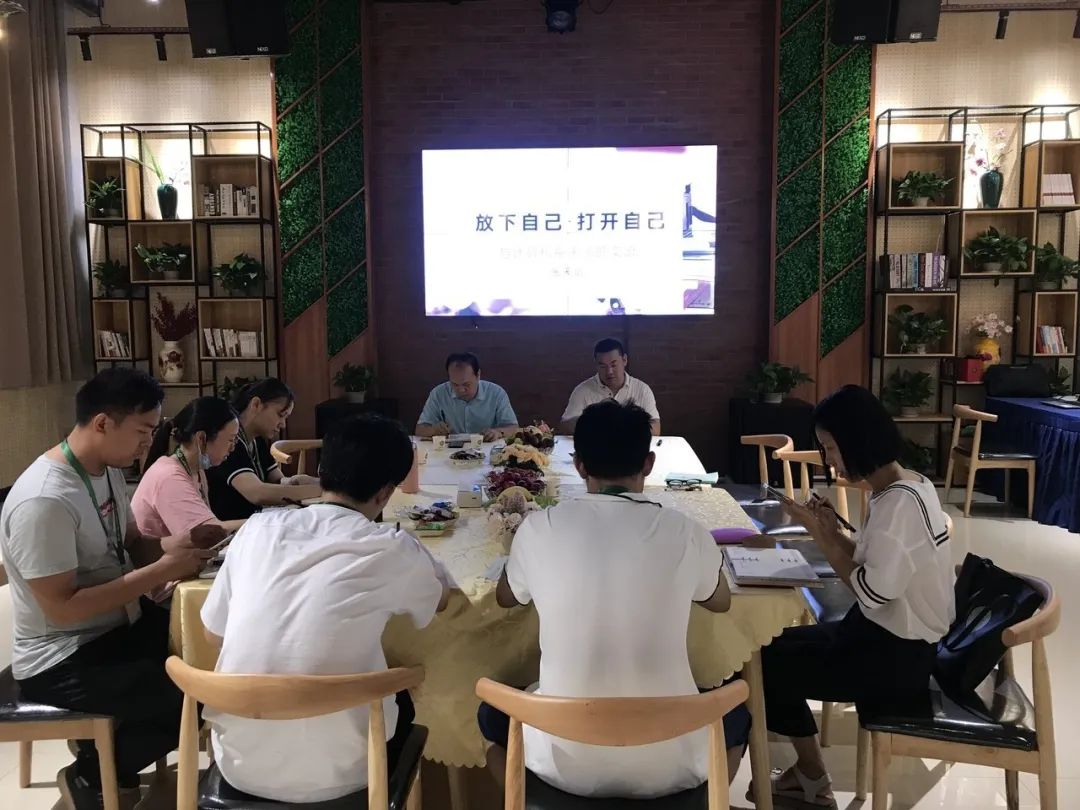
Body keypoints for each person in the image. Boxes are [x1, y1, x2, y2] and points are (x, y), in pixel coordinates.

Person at [481, 401, 749, 799]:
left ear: (578, 466)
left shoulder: (538, 528)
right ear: (649, 463)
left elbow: (506, 598)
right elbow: (720, 601)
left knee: (489, 716)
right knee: (738, 714)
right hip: (671, 758)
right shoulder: (685, 531)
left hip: (562, 762)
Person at [200, 414, 451, 803]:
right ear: (386, 493)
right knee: (403, 696)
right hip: (348, 771)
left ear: (322, 472)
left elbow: (212, 634)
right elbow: (441, 600)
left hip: (240, 761)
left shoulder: (256, 530)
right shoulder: (389, 548)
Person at [0, 368, 220, 810]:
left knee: (209, 656)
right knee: (192, 694)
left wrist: (181, 544)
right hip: (63, 657)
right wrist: (162, 571)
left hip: (116, 627)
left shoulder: (106, 469)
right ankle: (92, 771)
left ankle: (107, 754)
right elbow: (63, 609)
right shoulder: (44, 500)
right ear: (102, 422)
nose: (149, 443)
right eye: (143, 431)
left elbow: (132, 543)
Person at [759, 385, 955, 809]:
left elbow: (871, 592)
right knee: (765, 648)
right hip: (882, 636)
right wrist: (833, 533)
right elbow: (874, 565)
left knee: (764, 666)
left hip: (895, 657)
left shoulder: (899, 505)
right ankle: (809, 774)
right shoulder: (909, 485)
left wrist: (820, 536)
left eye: (831, 448)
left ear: (857, 440)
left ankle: (812, 776)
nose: (828, 459)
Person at [206, 378, 321, 522]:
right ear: (256, 404)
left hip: (255, 520)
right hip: (235, 527)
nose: (283, 424)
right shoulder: (231, 443)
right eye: (280, 415)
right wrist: (322, 490)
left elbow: (277, 481)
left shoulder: (257, 439)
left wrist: (295, 481)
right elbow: (258, 493)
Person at [132, 396, 246, 538]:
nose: (233, 447)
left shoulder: (196, 470)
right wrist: (263, 523)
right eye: (231, 439)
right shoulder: (169, 477)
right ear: (201, 438)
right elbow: (207, 532)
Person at [559, 338, 661, 435]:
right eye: (603, 366)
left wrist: (624, 428)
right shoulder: (582, 390)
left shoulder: (642, 389)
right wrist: (595, 424)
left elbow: (656, 428)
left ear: (624, 360)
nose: (609, 372)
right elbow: (565, 425)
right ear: (596, 365)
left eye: (613, 365)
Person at [416, 352, 518, 441]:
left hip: (487, 450)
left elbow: (513, 428)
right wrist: (434, 430)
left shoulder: (496, 393)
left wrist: (498, 432)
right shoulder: (438, 393)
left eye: (466, 384)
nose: (461, 390)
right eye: (455, 384)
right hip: (449, 451)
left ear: (478, 375)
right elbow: (419, 430)